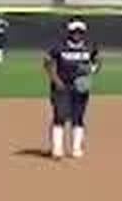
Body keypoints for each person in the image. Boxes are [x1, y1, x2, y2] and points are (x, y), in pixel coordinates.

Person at [42, 19, 100, 159]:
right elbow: (48, 63)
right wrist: (56, 80)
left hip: (80, 87)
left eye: (80, 32)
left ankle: (76, 148)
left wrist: (91, 72)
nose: (77, 34)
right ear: (69, 32)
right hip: (62, 86)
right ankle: (57, 149)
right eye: (74, 31)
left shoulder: (89, 47)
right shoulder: (59, 46)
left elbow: (97, 61)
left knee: (78, 117)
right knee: (60, 116)